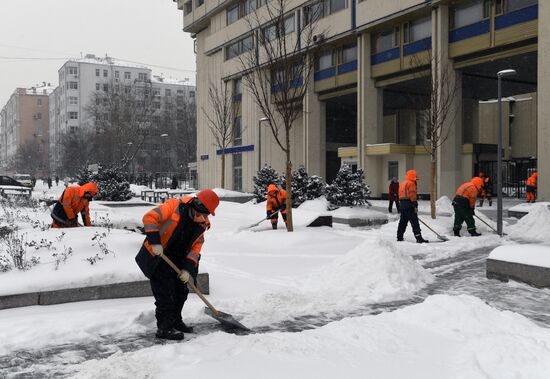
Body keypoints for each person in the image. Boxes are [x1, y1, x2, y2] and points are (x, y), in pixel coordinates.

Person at [135, 189, 220, 341]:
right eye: (203, 214)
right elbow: (149, 217)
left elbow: (195, 248)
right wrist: (155, 242)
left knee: (181, 292)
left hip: (179, 260)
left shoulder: (202, 224)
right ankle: (164, 329)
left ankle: (175, 321)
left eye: (206, 215)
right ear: (197, 206)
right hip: (159, 256)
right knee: (165, 295)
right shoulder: (173, 206)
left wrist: (187, 269)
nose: (203, 218)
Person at [397, 170, 428, 243]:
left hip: (402, 204)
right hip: (409, 204)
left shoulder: (403, 183)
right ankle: (419, 238)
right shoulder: (411, 183)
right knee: (414, 222)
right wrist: (415, 205)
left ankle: (399, 236)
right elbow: (412, 195)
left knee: (403, 222)